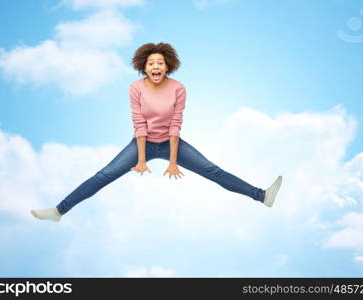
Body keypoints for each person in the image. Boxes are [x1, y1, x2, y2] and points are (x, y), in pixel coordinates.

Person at [31, 42, 282, 222]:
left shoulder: (178, 88)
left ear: (167, 66)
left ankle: (261, 196)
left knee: (212, 171)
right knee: (103, 176)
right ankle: (58, 211)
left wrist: (173, 162)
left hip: (171, 142)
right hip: (143, 143)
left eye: (160, 63)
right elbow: (139, 123)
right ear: (144, 66)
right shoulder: (136, 88)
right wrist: (141, 160)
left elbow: (175, 124)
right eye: (151, 63)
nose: (155, 66)